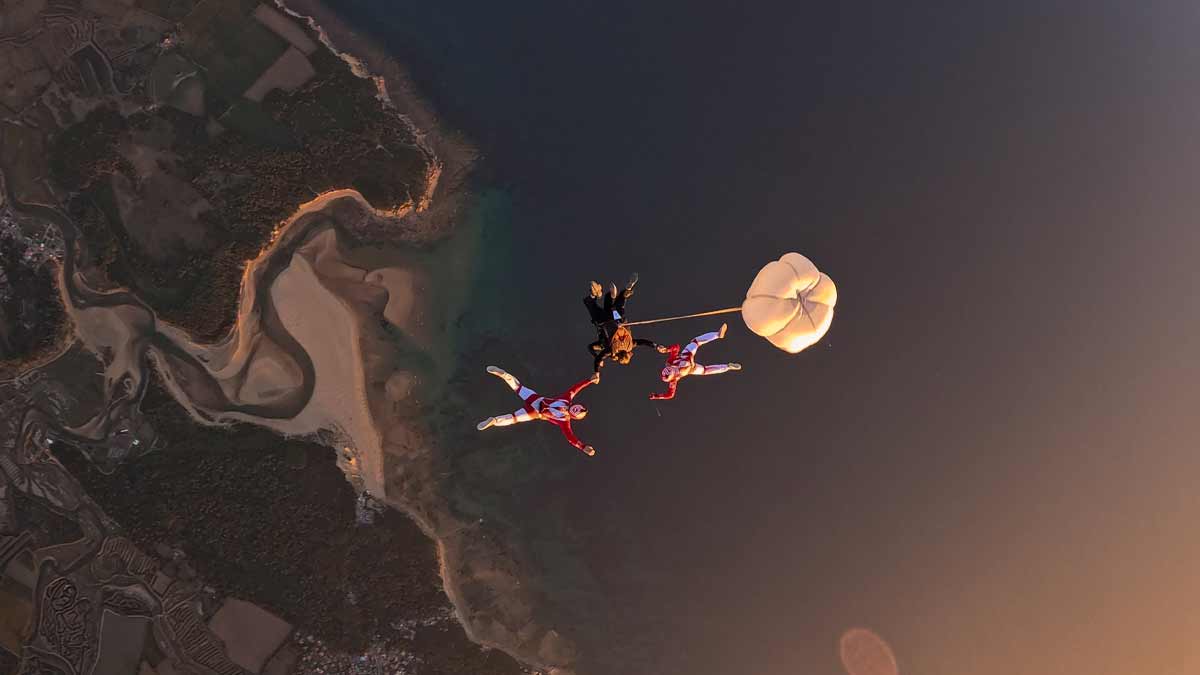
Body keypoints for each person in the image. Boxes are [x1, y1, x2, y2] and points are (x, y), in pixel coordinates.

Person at [476, 366, 600, 456]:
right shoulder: (566, 407)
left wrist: (583, 447)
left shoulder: (565, 414)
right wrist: (589, 380)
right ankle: (495, 419)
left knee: (517, 392)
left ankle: (504, 377)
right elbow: (576, 388)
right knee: (514, 413)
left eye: (577, 411)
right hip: (535, 408)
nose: (577, 409)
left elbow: (571, 438)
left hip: (535, 406)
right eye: (578, 408)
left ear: (574, 415)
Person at [584, 274, 667, 373]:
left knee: (615, 307)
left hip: (618, 318)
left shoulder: (630, 345)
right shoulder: (611, 350)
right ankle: (597, 296)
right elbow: (593, 350)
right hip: (605, 321)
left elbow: (642, 342)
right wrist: (597, 366)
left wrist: (656, 346)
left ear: (628, 354)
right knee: (592, 305)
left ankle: (623, 293)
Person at [649, 323, 742, 400]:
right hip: (688, 358)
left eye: (670, 368)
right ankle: (717, 335)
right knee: (696, 342)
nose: (672, 368)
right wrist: (668, 350)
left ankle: (728, 366)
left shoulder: (672, 372)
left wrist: (667, 349)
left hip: (690, 365)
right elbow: (679, 350)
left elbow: (670, 395)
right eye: (671, 369)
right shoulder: (674, 368)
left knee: (706, 370)